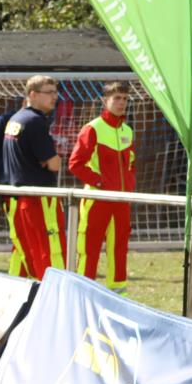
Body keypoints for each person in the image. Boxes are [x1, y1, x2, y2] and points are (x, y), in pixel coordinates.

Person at [69, 82, 136, 295]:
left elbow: (131, 164)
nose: (121, 103)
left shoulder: (128, 131)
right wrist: (100, 183)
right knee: (89, 249)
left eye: (125, 99)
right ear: (104, 101)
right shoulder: (92, 128)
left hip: (122, 203)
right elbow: (75, 164)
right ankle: (82, 293)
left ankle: (119, 295)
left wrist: (129, 188)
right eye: (117, 98)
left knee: (119, 250)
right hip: (97, 200)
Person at [1, 75, 63, 279]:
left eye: (55, 92)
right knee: (50, 252)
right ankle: (54, 297)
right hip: (39, 200)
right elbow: (54, 164)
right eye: (49, 92)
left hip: (17, 199)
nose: (55, 97)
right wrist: (49, 160)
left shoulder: (15, 119)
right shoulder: (35, 121)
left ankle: (23, 295)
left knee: (25, 251)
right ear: (33, 95)